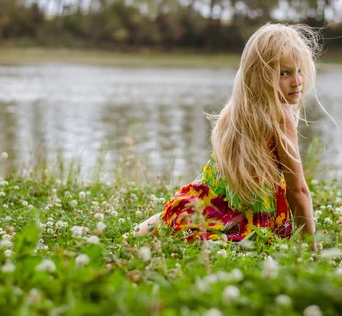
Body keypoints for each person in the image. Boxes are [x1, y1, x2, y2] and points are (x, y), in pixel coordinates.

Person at [135, 23, 318, 248]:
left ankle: (133, 236)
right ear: (261, 75)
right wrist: (311, 249)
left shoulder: (235, 110)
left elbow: (207, 183)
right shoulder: (281, 115)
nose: (297, 81)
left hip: (219, 206)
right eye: (284, 73)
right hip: (249, 221)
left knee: (173, 215)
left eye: (299, 71)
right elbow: (297, 189)